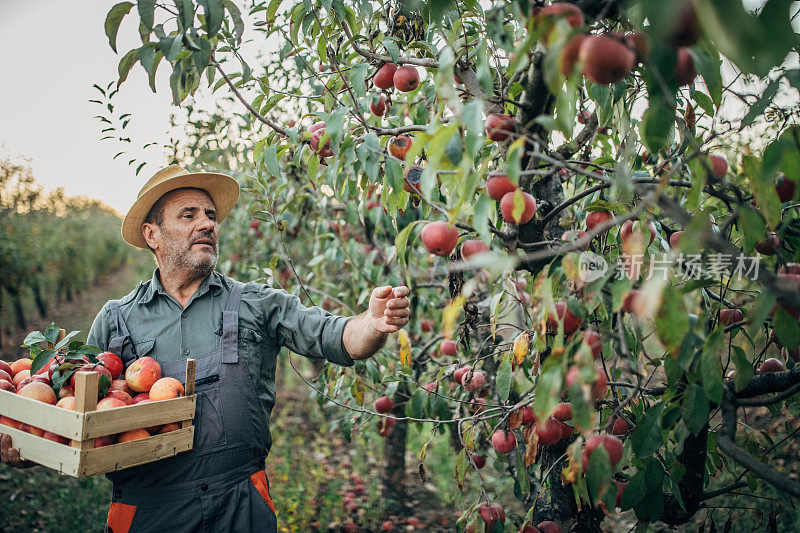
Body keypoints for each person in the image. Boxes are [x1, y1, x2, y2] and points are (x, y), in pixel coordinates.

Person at [0, 165, 411, 532]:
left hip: (240, 504)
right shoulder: (117, 319)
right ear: (153, 235)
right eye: (189, 215)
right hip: (147, 512)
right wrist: (30, 445)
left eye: (211, 216)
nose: (207, 224)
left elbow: (338, 337)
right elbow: (77, 414)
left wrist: (373, 323)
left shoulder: (255, 303)